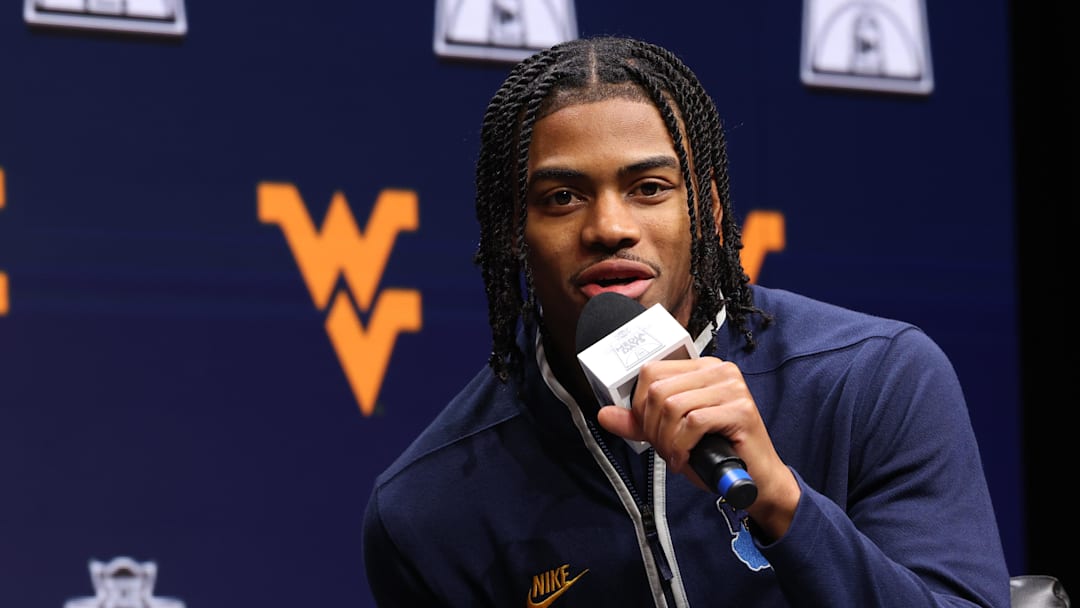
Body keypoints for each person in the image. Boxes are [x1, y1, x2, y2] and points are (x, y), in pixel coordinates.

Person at [361, 35, 1011, 607]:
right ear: (510, 234)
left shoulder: (876, 379)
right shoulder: (429, 505)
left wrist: (783, 503)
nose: (610, 228)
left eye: (649, 188)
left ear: (712, 215)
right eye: (562, 198)